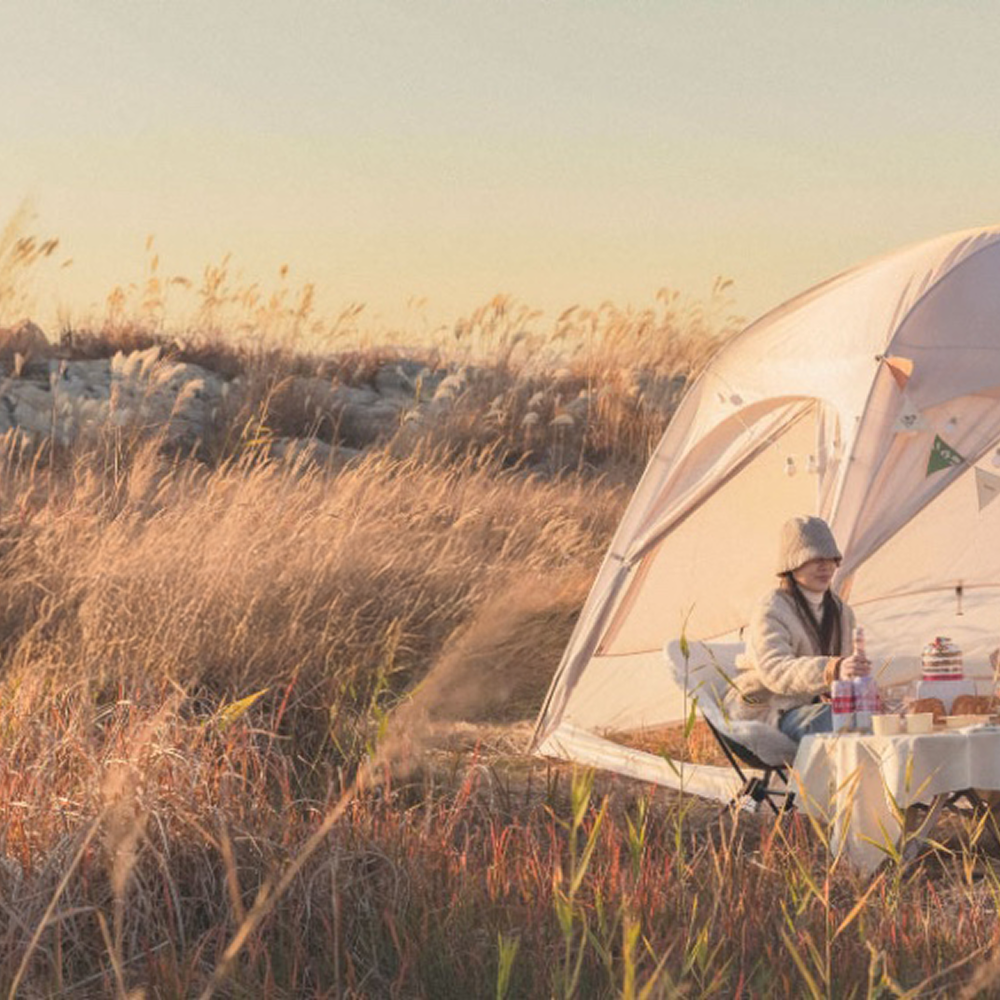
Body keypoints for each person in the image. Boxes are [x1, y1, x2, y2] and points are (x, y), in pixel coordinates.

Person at [725, 515, 870, 740]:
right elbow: (776, 671)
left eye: (831, 558)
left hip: (819, 707)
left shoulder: (841, 611)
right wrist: (832, 669)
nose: (825, 566)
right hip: (772, 707)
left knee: (876, 716)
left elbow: (847, 673)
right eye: (814, 558)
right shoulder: (772, 609)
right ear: (791, 563)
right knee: (836, 720)